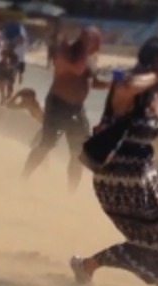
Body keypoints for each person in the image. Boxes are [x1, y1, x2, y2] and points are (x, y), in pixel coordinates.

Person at [70, 37, 158, 286]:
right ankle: (87, 265)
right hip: (120, 179)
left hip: (145, 177)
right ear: (155, 62)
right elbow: (125, 85)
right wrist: (156, 74)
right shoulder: (128, 82)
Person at [21, 27, 110, 192]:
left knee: (79, 153)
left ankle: (71, 192)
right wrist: (84, 47)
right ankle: (24, 177)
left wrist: (111, 85)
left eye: (95, 40)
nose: (94, 44)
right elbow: (77, 69)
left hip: (76, 109)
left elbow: (90, 80)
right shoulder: (67, 51)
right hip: (58, 105)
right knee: (46, 144)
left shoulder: (91, 58)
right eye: (89, 39)